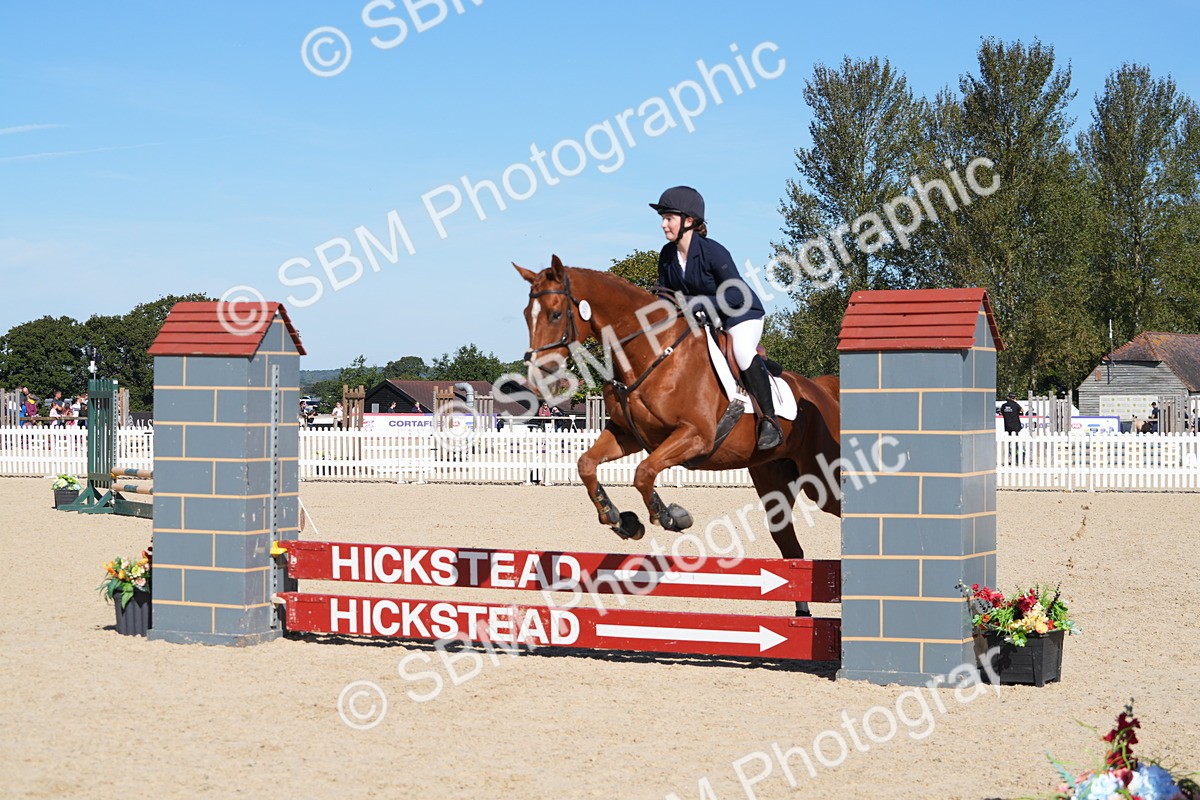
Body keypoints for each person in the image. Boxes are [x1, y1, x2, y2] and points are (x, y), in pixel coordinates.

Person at [650, 186, 782, 448]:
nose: (663, 224)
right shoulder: (667, 255)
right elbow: (666, 295)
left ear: (689, 221)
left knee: (743, 351)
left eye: (669, 218)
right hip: (707, 319)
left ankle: (770, 420)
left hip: (741, 316)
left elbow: (737, 295)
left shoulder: (712, 252)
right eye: (662, 219)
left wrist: (694, 302)